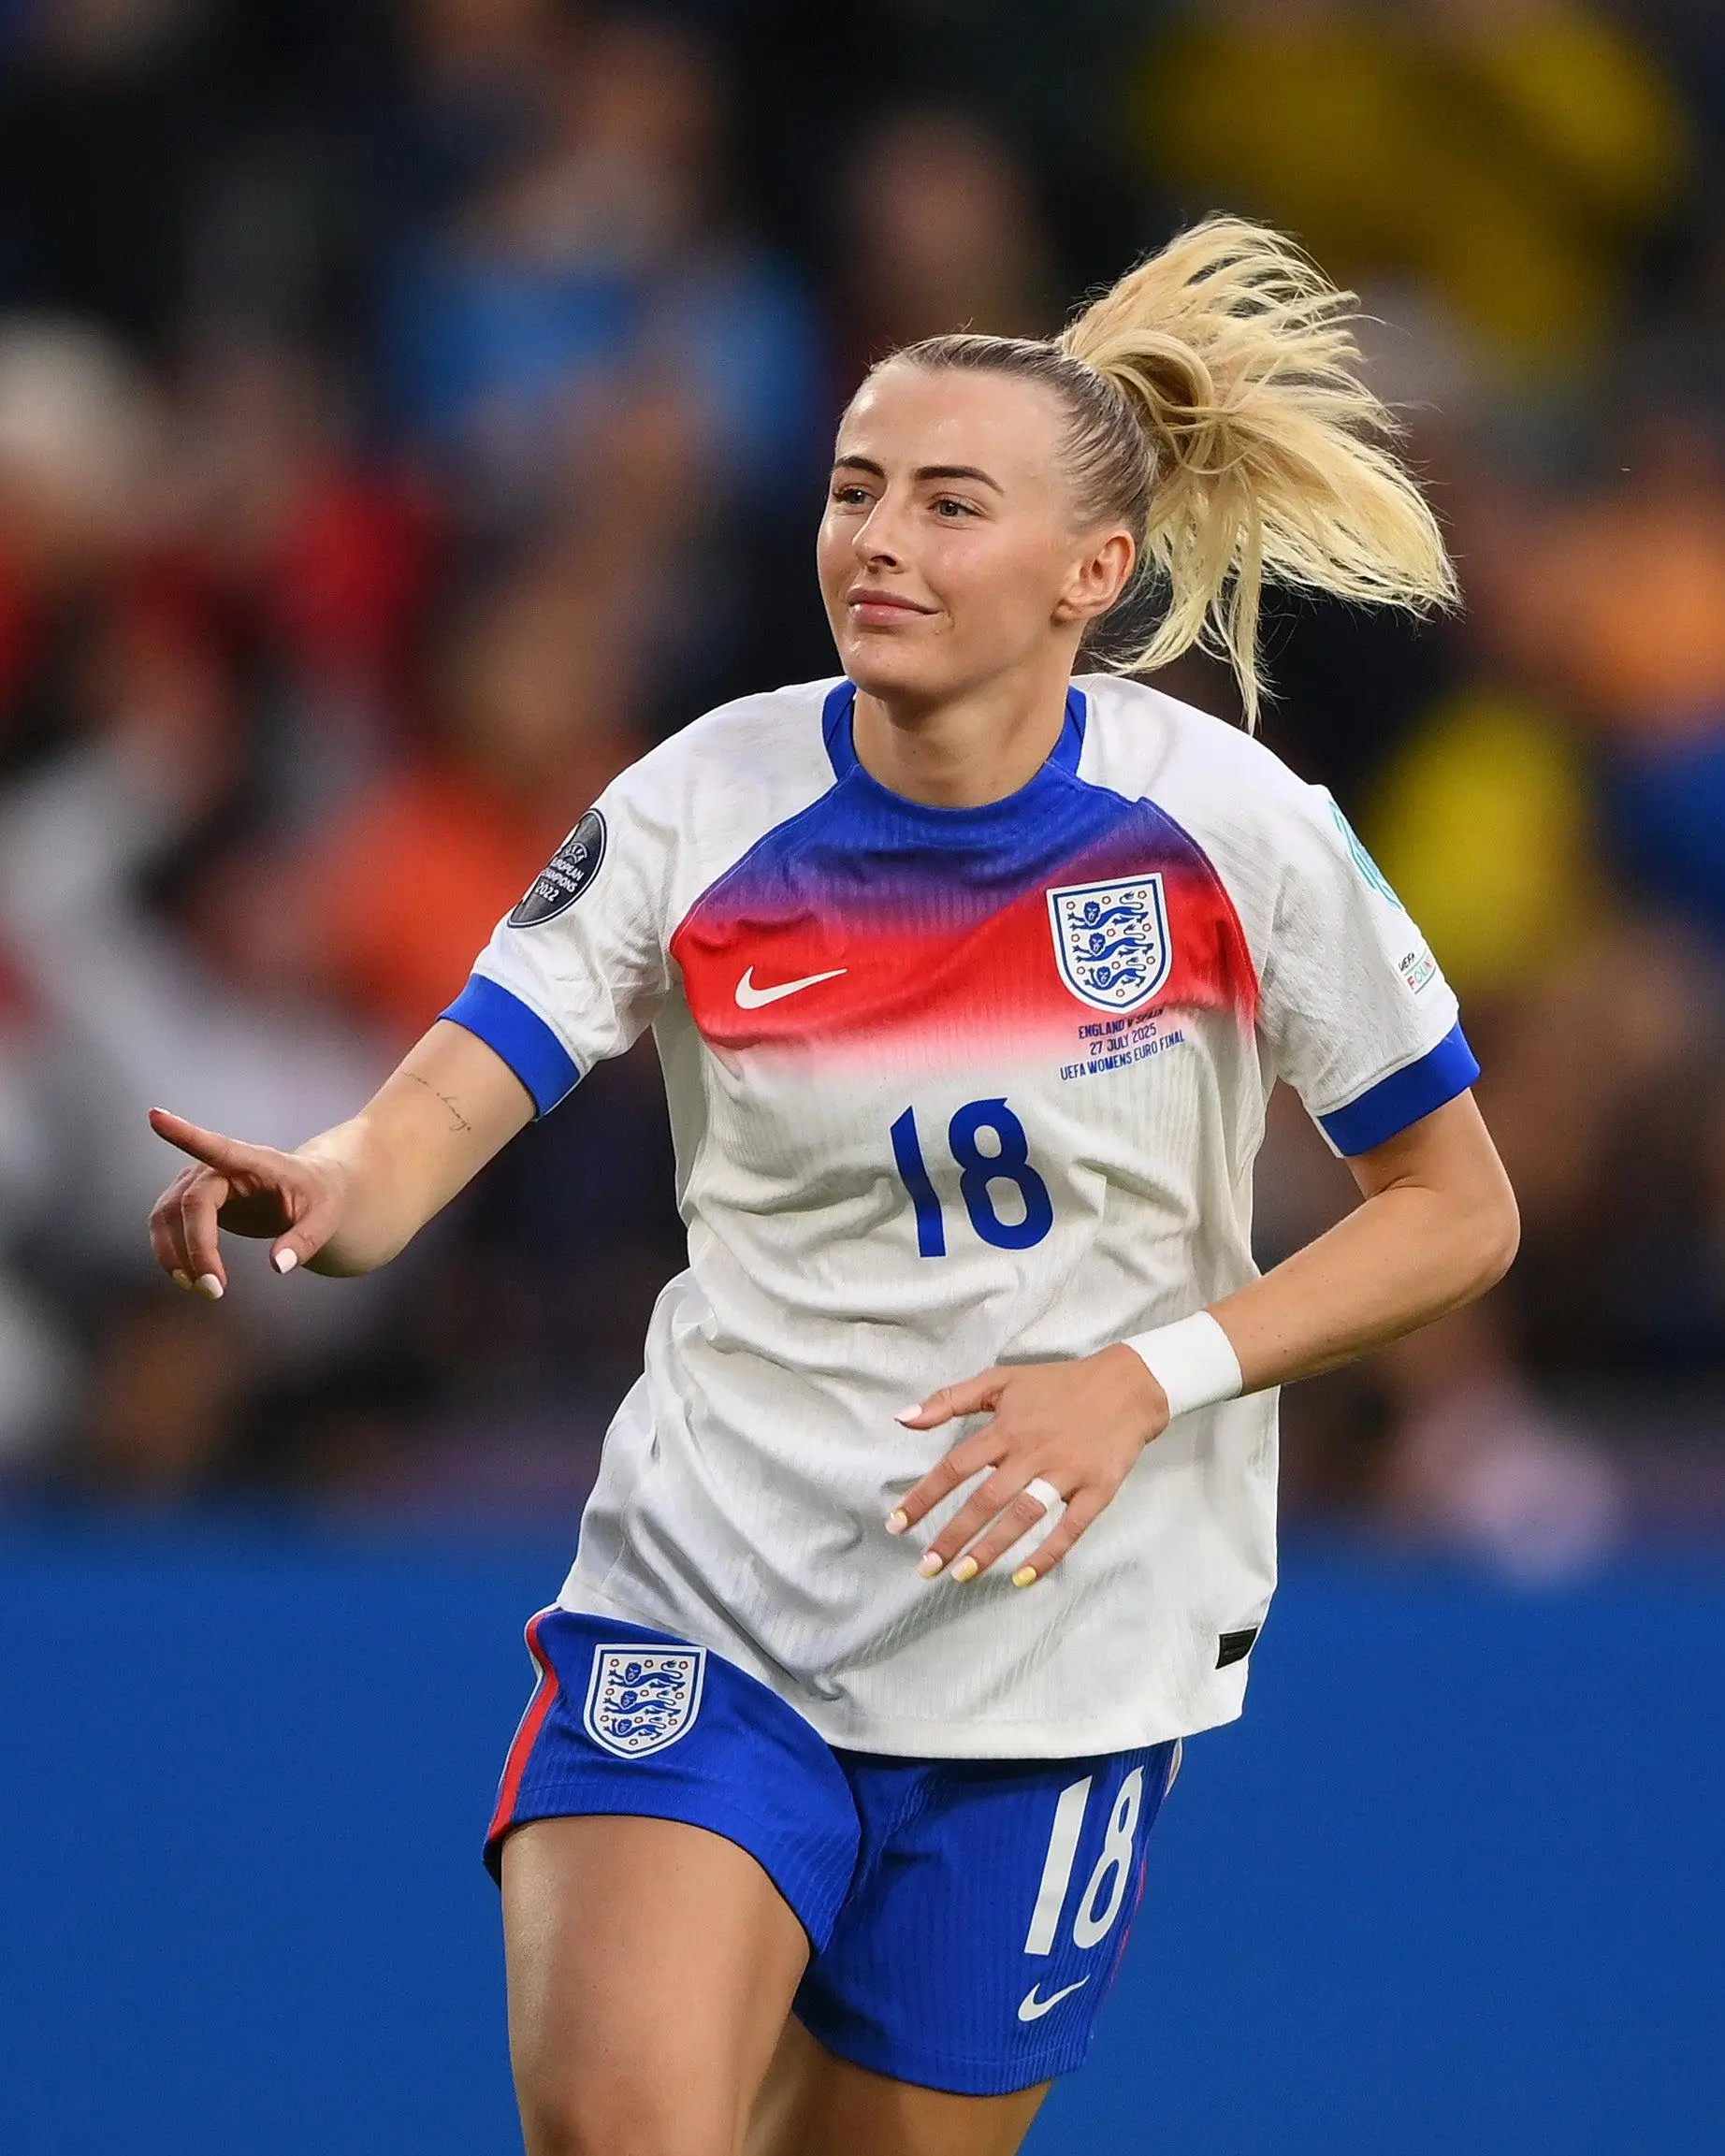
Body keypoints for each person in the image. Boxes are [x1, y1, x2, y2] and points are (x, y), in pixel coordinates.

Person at [146, 219, 1518, 2156]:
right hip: (713, 1602)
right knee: (625, 2129)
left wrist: (1146, 1381)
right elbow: (440, 1109)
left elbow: (1455, 1213)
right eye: (857, 488)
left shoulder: (1233, 829)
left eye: (952, 505)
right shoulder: (704, 802)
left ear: (1089, 575)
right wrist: (330, 1181)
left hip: (1066, 1648)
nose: (880, 539)